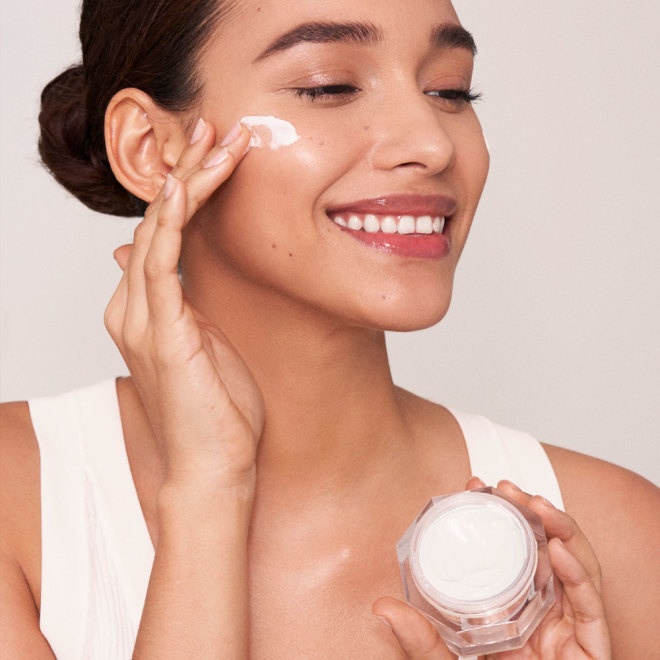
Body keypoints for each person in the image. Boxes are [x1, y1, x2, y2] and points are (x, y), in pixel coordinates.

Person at [1, 0, 658, 657]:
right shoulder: (15, 509)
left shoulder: (616, 538)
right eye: (329, 86)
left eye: (450, 90)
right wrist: (208, 493)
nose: (430, 142)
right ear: (149, 148)